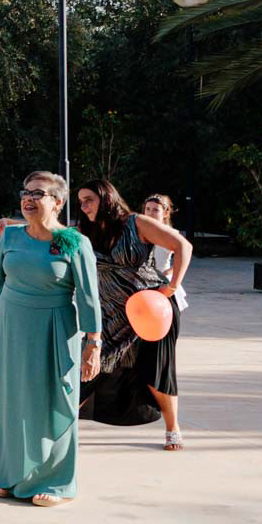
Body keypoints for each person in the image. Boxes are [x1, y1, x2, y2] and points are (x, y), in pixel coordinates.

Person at [0, 172, 102, 505]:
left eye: (39, 194)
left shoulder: (74, 242)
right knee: (12, 401)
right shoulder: (12, 237)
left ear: (58, 202)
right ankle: (9, 474)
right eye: (25, 192)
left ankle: (56, 481)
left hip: (55, 328)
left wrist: (94, 344)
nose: (29, 199)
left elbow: (89, 297)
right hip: (11, 325)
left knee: (52, 401)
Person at [76, 178, 193, 448]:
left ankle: (172, 427)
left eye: (89, 199)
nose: (83, 206)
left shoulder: (136, 223)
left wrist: (173, 286)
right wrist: (11, 225)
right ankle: (61, 427)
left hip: (152, 311)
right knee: (91, 367)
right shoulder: (85, 231)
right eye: (80, 201)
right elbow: (50, 231)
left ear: (106, 198)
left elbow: (182, 246)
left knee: (155, 371)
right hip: (113, 314)